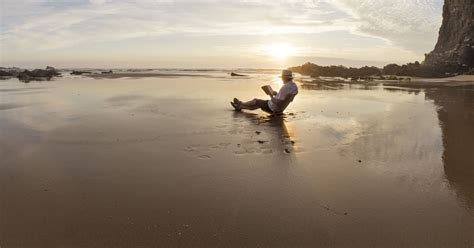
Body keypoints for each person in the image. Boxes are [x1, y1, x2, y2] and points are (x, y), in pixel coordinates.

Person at [231, 70, 298, 114]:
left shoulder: (285, 87)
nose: (281, 79)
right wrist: (276, 94)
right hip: (279, 109)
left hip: (273, 107)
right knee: (256, 105)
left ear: (284, 78)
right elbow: (287, 99)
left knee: (256, 101)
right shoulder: (294, 87)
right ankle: (240, 106)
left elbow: (278, 103)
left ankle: (240, 104)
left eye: (282, 78)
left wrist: (270, 94)